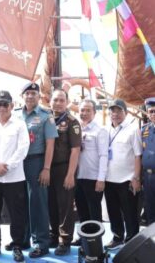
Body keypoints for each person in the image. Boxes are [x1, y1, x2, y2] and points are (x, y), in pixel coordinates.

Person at [10, 82, 58, 258]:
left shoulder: (46, 116)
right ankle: (22, 239)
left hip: (36, 162)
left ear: (39, 96)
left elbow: (50, 144)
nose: (30, 96)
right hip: (17, 163)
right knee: (19, 202)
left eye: (33, 93)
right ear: (22, 96)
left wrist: (46, 168)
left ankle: (41, 243)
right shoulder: (14, 115)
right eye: (27, 93)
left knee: (38, 204)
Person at [0, 91, 29, 262]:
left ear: (11, 105)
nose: (2, 107)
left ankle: (17, 245)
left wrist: (7, 166)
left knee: (17, 214)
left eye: (5, 104)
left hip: (14, 177)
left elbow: (23, 148)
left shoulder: (19, 124)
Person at [104, 99, 141, 250]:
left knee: (130, 213)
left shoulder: (133, 129)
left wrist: (136, 178)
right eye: (113, 111)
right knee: (113, 211)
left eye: (119, 111)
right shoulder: (105, 130)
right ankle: (117, 237)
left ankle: (132, 240)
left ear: (125, 112)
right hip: (109, 179)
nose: (115, 114)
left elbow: (138, 155)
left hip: (127, 179)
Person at [48, 89, 81, 256]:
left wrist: (70, 174)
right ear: (50, 101)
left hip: (64, 168)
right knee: (51, 204)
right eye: (55, 100)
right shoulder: (47, 119)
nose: (58, 103)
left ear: (67, 102)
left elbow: (76, 150)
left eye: (62, 100)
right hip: (48, 169)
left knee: (65, 206)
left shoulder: (72, 122)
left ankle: (65, 240)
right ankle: (53, 235)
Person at [74, 100, 108, 242]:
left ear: (94, 112)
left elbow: (103, 155)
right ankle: (84, 237)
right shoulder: (76, 129)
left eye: (88, 110)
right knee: (81, 210)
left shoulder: (100, 131)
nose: (84, 113)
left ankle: (95, 241)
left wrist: (101, 178)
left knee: (94, 211)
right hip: (78, 176)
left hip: (93, 177)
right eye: (82, 110)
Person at [141, 97, 155, 225]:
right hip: (148, 177)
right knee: (150, 208)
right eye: (151, 111)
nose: (153, 114)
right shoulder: (144, 130)